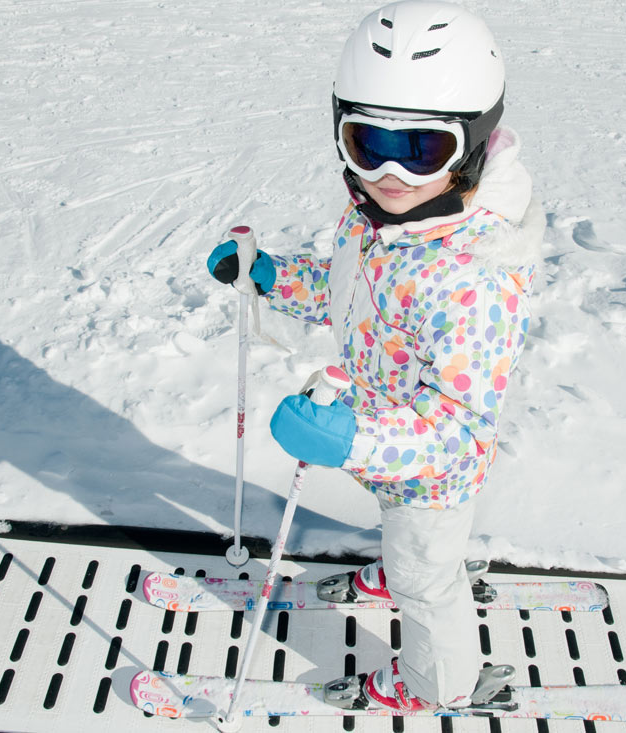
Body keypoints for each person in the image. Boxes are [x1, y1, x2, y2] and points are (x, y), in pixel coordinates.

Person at [207, 0, 542, 712]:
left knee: (428, 577)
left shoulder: (471, 277)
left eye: (422, 148)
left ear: (474, 145)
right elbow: (348, 290)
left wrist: (355, 437)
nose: (389, 170)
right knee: (402, 538)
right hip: (381, 440)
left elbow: (456, 436)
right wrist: (273, 275)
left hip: (427, 474)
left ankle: (437, 682)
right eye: (367, 141)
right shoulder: (380, 218)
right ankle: (398, 565)